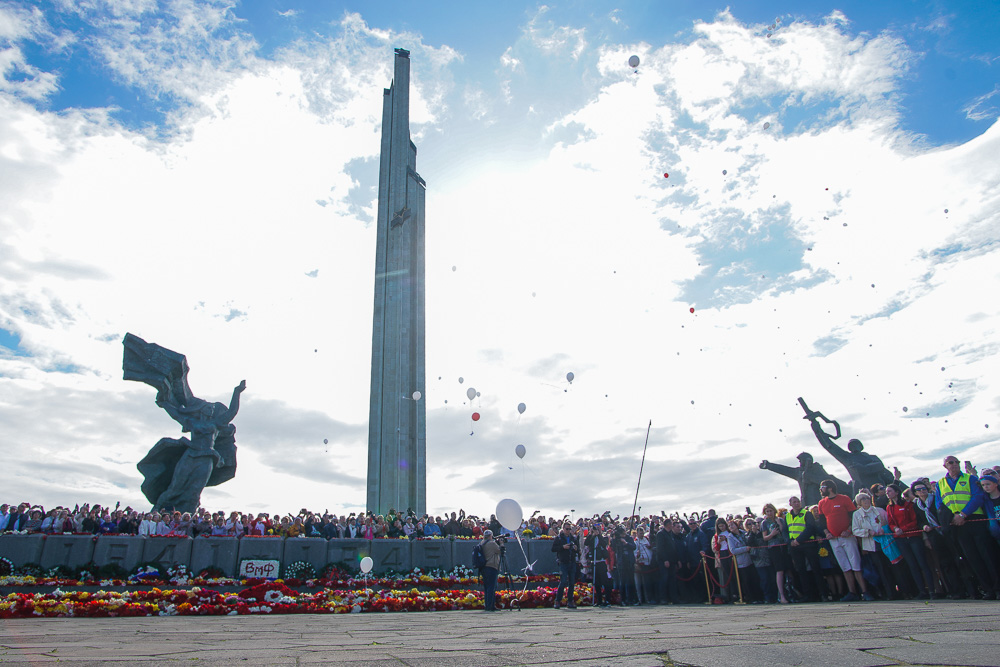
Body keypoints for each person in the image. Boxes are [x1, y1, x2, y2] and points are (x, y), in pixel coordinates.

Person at [935, 456, 999, 598]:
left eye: (957, 462)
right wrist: (953, 518)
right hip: (957, 525)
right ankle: (988, 589)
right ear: (945, 465)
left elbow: (978, 497)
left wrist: (963, 514)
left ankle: (998, 588)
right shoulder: (940, 483)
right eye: (951, 462)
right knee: (972, 558)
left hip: (975, 520)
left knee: (987, 555)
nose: (955, 465)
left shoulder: (970, 479)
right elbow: (939, 504)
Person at [817, 479, 873, 601]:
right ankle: (852, 592)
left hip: (847, 537)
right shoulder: (821, 503)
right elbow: (822, 521)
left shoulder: (844, 498)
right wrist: (827, 533)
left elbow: (853, 516)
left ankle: (865, 591)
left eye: (823, 487)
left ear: (830, 488)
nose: (821, 490)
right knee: (844, 566)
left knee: (855, 564)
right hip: (834, 539)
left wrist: (848, 529)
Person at [885, 482, 935, 599]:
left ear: (897, 492)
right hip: (901, 539)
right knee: (912, 565)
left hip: (913, 536)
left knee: (922, 563)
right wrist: (896, 529)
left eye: (890, 491)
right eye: (887, 492)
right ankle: (922, 591)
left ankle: (932, 590)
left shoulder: (909, 505)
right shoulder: (889, 507)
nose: (888, 494)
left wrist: (903, 529)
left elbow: (915, 521)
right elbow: (891, 522)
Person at [786, 495, 827, 602]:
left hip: (807, 544)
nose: (796, 503)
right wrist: (790, 542)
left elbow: (810, 528)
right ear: (790, 504)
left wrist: (798, 540)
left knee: (816, 569)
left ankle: (823, 594)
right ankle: (808, 595)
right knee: (801, 571)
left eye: (798, 501)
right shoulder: (787, 516)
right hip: (795, 547)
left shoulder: (807, 513)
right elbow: (786, 530)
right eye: (794, 502)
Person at [761, 503, 791, 604]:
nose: (769, 513)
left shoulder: (781, 520)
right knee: (779, 570)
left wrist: (779, 523)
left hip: (783, 545)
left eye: (771, 511)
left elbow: (783, 532)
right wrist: (772, 534)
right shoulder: (765, 523)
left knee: (788, 568)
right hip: (773, 547)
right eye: (767, 511)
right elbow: (764, 538)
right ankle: (781, 595)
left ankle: (791, 592)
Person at [551, 523, 578, 609]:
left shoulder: (573, 538)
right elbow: (553, 549)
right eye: (567, 529)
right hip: (563, 562)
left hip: (572, 561)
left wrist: (576, 549)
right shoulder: (559, 538)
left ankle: (570, 601)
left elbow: (578, 549)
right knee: (562, 582)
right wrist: (563, 547)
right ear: (563, 529)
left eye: (570, 529)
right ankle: (558, 600)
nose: (568, 531)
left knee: (572, 582)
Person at [480, 530, 501, 611]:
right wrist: (501, 543)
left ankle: (488, 605)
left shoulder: (482, 543)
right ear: (490, 536)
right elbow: (499, 550)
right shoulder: (491, 543)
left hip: (484, 567)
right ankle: (490, 606)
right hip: (492, 566)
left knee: (487, 587)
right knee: (491, 587)